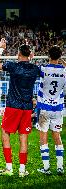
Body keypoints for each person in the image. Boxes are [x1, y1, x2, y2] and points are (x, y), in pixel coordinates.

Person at [0, 38, 40, 177]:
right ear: (30, 55)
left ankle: (9, 168)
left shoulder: (13, 66)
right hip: (26, 107)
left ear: (19, 54)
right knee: (23, 137)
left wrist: (1, 48)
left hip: (13, 105)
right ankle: (22, 170)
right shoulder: (35, 69)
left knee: (5, 133)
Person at [37, 45, 65, 175]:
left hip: (44, 108)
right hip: (58, 108)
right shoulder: (64, 71)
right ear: (60, 56)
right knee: (57, 137)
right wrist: (62, 61)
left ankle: (46, 168)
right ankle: (60, 167)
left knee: (43, 138)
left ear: (48, 56)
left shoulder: (43, 69)